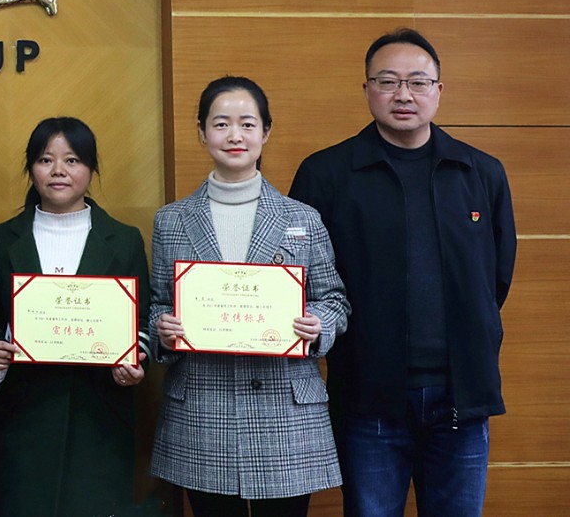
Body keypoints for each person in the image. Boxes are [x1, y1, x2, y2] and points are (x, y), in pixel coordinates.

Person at [289, 29, 515, 517]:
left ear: (439, 89)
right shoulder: (326, 174)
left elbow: (496, 278)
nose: (403, 94)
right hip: (368, 395)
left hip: (461, 395)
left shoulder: (481, 172)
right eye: (388, 81)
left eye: (417, 81)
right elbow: (301, 280)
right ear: (367, 89)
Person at [149, 76, 350, 517]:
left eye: (247, 124)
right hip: (204, 409)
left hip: (286, 411)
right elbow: (158, 304)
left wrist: (318, 324)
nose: (234, 135)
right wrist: (163, 328)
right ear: (202, 132)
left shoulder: (303, 218)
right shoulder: (172, 221)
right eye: (221, 124)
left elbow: (335, 300)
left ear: (266, 132)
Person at [0, 117, 151, 517]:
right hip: (24, 412)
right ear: (31, 169)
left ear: (91, 169)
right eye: (46, 160)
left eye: (72, 160)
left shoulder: (124, 239)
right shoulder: (1, 239)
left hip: (100, 412)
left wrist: (135, 360)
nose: (58, 170)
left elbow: (142, 322)